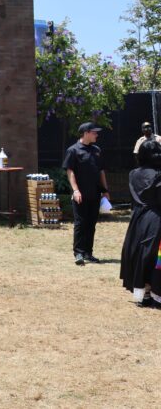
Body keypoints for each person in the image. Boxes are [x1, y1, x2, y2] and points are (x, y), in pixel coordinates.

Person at [62, 122, 111, 266]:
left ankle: (88, 253)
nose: (97, 135)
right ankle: (78, 253)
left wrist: (105, 190)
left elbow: (101, 171)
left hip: (95, 194)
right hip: (80, 195)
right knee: (80, 223)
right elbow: (70, 171)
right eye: (94, 132)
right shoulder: (73, 150)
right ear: (86, 133)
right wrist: (76, 190)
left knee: (91, 224)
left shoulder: (96, 150)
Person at [119, 140, 161, 307]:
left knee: (140, 255)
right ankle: (155, 293)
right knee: (155, 257)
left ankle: (144, 293)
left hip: (138, 218)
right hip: (156, 217)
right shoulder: (158, 176)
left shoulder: (133, 174)